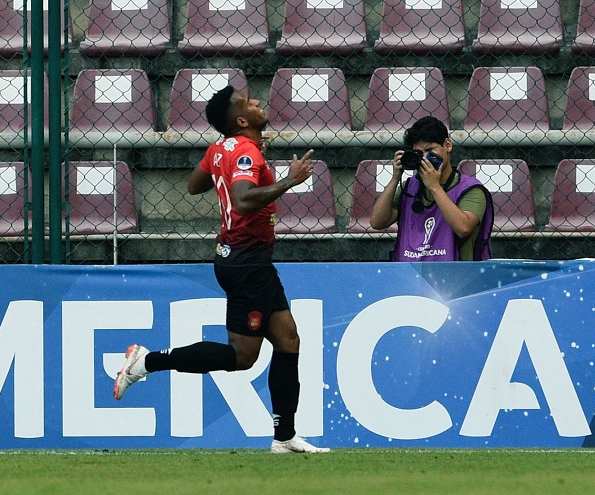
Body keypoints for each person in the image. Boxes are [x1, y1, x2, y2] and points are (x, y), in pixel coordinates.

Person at [114, 86, 330, 454]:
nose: (259, 101)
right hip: (247, 261)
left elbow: (195, 184)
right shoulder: (245, 151)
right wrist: (289, 181)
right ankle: (146, 361)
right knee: (242, 358)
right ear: (242, 121)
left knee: (288, 340)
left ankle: (285, 437)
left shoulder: (222, 148)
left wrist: (223, 163)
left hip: (246, 258)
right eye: (249, 102)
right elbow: (244, 200)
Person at [370, 115, 494, 261]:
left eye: (430, 149)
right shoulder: (409, 187)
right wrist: (395, 178)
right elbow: (377, 222)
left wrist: (434, 186)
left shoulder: (470, 189)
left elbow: (464, 228)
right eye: (419, 153)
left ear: (447, 145)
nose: (425, 157)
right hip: (410, 274)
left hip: (455, 276)